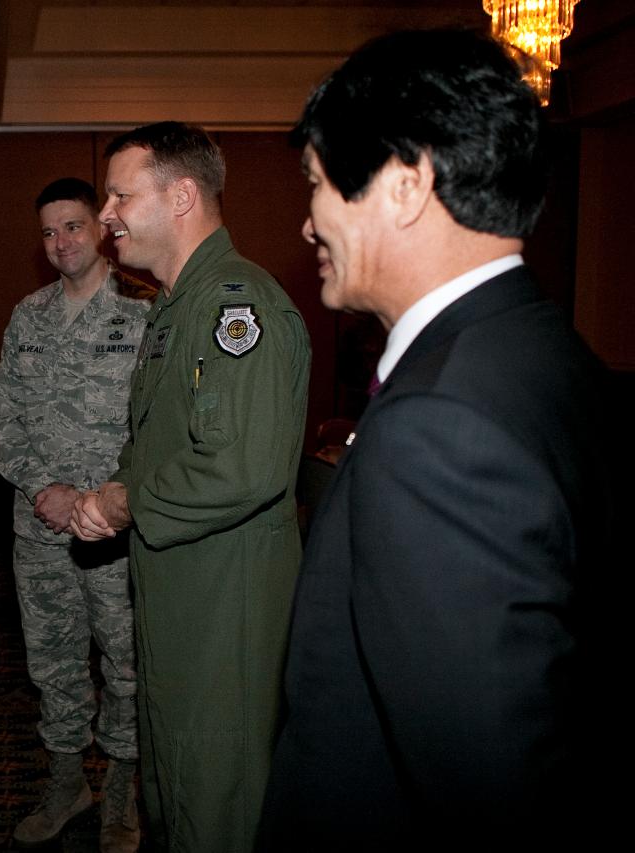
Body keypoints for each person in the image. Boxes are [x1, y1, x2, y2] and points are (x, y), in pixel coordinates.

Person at [258, 29, 615, 851]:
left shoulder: (438, 428)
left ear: (407, 184)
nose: (308, 224)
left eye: (314, 184)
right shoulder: (548, 351)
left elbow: (492, 789)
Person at [71, 122, 311, 852]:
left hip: (223, 611)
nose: (105, 213)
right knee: (174, 796)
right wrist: (119, 483)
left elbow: (244, 466)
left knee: (219, 806)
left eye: (120, 193)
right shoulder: (176, 309)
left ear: (181, 196)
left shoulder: (239, 307)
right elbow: (160, 443)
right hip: (179, 599)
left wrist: (122, 501)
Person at [0, 178, 153, 852]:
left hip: (113, 532)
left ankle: (121, 787)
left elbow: (157, 424)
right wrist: (40, 489)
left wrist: (103, 497)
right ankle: (66, 782)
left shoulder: (144, 310)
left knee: (125, 661)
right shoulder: (27, 316)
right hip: (41, 528)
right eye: (50, 231)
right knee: (52, 662)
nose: (61, 243)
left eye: (74, 227)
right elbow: (7, 418)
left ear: (102, 228)